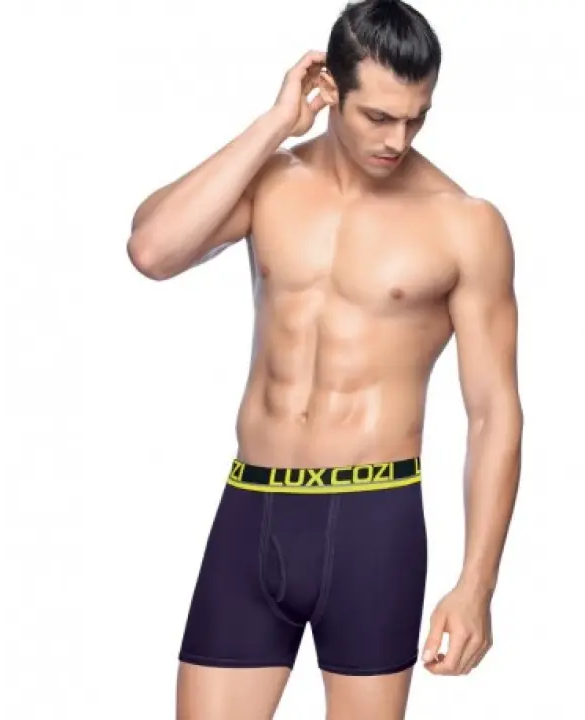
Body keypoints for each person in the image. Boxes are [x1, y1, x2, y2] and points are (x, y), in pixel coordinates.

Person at [127, 1, 523, 717]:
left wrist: (477, 585)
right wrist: (275, 124)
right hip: (251, 507)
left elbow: (494, 413)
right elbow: (153, 250)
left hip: (375, 521)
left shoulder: (464, 223)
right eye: (378, 117)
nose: (397, 140)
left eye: (416, 119)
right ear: (330, 90)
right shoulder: (272, 184)